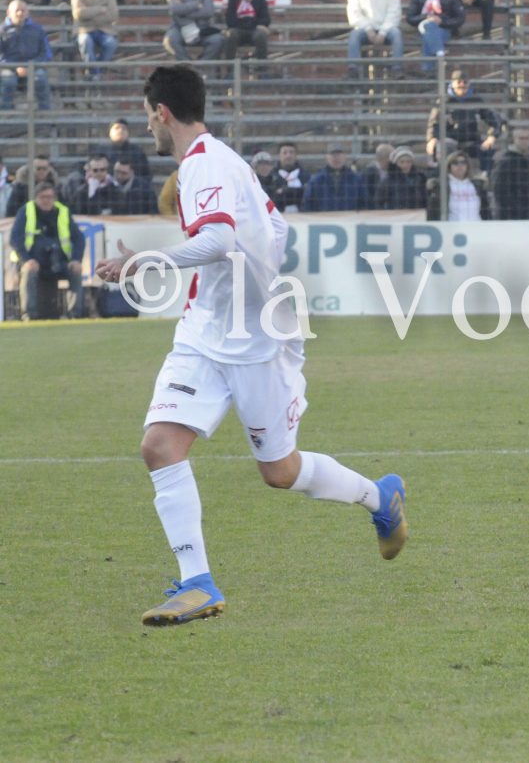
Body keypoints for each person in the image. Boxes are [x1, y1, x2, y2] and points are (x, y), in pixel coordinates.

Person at [91, 66, 406, 626]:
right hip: (203, 331)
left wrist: (148, 261)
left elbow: (218, 239)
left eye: (148, 118)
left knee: (280, 472)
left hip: (256, 341)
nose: (148, 129)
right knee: (159, 446)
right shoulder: (226, 162)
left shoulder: (205, 164)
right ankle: (197, 583)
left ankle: (380, 498)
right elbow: (274, 228)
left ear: (162, 112)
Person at [10, 181, 85, 320]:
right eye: (42, 197)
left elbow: (79, 238)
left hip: (59, 261)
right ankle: (29, 314)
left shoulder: (63, 211)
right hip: (34, 261)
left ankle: (75, 314)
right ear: (35, 198)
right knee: (28, 271)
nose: (46, 200)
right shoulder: (26, 211)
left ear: (55, 198)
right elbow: (15, 239)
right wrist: (27, 260)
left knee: (76, 270)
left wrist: (76, 259)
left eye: (50, 197)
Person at [346, 0, 404, 72]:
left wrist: (383, 32)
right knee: (354, 36)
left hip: (387, 29)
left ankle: (397, 69)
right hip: (365, 29)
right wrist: (368, 29)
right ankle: (353, 70)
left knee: (397, 35)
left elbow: (394, 12)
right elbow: (354, 13)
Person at [1, 0, 54, 112]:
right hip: (7, 68)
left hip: (33, 66)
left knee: (40, 78)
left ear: (27, 13)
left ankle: (45, 112)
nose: (20, 13)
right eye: (17, 10)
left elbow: (46, 53)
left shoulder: (38, 30)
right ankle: (5, 113)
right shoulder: (1, 31)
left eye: (23, 10)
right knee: (8, 80)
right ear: (9, 12)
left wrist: (31, 66)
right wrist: (15, 67)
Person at [405, 0, 464, 66]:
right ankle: (440, 54)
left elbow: (460, 18)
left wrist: (442, 21)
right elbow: (410, 18)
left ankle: (429, 69)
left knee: (429, 36)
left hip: (445, 28)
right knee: (429, 27)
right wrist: (426, 17)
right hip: (422, 28)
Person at [71, 0, 119, 73]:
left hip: (104, 30)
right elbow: (78, 14)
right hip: (83, 30)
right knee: (85, 41)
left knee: (111, 43)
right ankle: (95, 74)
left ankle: (95, 74)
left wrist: (88, 12)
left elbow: (113, 15)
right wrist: (100, 9)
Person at [489, 127, 529, 218]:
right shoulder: (505, 161)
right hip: (511, 216)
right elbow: (500, 191)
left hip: (528, 215)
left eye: (527, 138)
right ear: (514, 139)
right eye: (521, 138)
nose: (524, 141)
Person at [223, 0, 272, 67]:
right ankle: (230, 70)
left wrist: (252, 24)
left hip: (255, 31)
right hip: (238, 31)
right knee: (231, 35)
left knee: (261, 35)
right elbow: (230, 21)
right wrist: (251, 23)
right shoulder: (233, 0)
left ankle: (263, 70)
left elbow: (265, 19)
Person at [303, 142, 368, 211]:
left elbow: (364, 204)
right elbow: (308, 205)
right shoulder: (316, 180)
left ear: (344, 157)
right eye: (333, 155)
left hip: (350, 217)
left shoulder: (356, 180)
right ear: (327, 157)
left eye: (339, 155)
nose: (336, 158)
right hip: (324, 217)